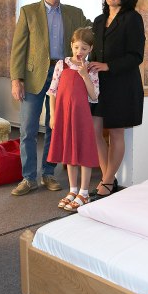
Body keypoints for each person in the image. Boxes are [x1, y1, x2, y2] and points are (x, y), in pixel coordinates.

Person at [9, 0, 91, 196]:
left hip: (63, 76)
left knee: (55, 127)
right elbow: (18, 49)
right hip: (34, 76)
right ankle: (28, 178)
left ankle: (48, 173)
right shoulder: (28, 12)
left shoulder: (75, 13)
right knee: (28, 129)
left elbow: (92, 32)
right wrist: (16, 79)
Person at [88, 0, 146, 198]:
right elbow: (94, 51)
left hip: (122, 84)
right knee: (95, 131)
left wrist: (108, 66)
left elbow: (136, 55)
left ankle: (106, 181)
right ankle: (108, 178)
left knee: (115, 133)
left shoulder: (133, 19)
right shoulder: (98, 20)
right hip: (99, 86)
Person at [47, 27, 100, 212]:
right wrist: (53, 115)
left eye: (84, 48)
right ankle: (73, 190)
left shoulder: (90, 69)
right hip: (64, 116)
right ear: (71, 45)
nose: (79, 51)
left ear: (90, 49)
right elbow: (52, 92)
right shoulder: (62, 65)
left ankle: (84, 193)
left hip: (82, 117)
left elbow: (94, 96)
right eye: (77, 47)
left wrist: (84, 75)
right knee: (69, 154)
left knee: (83, 152)